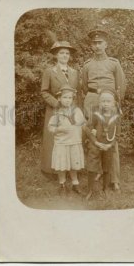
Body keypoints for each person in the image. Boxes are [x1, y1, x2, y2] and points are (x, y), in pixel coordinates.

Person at [82, 27, 126, 190]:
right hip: (92, 100)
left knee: (110, 138)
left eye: (100, 43)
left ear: (106, 44)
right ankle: (95, 175)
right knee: (92, 137)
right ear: (91, 46)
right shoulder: (87, 65)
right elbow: (85, 86)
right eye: (94, 43)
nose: (97, 46)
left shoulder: (114, 63)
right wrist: (91, 100)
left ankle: (114, 179)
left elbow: (120, 86)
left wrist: (117, 104)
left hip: (110, 101)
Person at [41, 41, 80, 175]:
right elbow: (44, 91)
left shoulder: (74, 72)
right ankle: (52, 170)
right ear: (56, 56)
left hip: (71, 110)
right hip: (55, 109)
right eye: (61, 53)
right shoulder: (49, 71)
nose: (64, 55)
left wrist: (75, 108)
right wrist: (56, 103)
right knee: (55, 137)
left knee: (70, 136)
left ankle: (70, 168)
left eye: (67, 53)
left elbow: (76, 92)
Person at [84, 88, 121, 200]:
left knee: (107, 166)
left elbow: (117, 134)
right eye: (103, 101)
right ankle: (90, 190)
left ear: (114, 103)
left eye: (108, 101)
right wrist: (95, 142)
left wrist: (110, 145)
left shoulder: (116, 116)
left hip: (108, 146)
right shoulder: (95, 114)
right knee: (92, 166)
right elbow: (88, 129)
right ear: (99, 102)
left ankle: (105, 189)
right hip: (96, 145)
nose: (105, 104)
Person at [48, 85, 86, 195]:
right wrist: (58, 129)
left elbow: (83, 123)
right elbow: (51, 127)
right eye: (65, 98)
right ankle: (62, 184)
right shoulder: (57, 113)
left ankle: (75, 184)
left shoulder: (77, 111)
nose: (68, 100)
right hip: (62, 142)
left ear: (73, 99)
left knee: (74, 163)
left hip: (74, 141)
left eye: (70, 98)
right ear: (59, 98)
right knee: (62, 164)